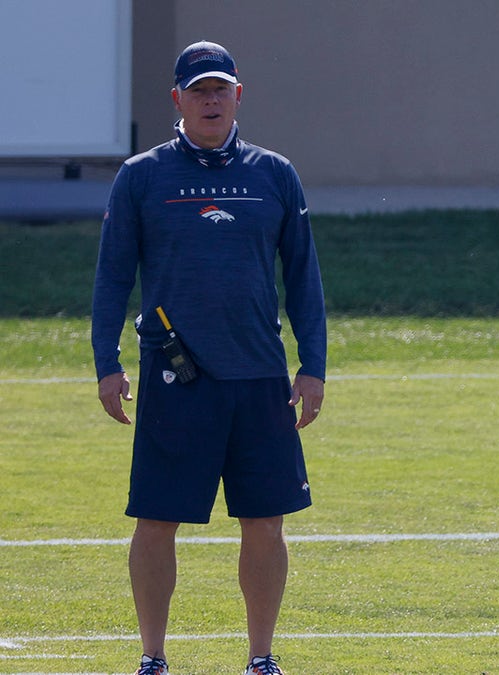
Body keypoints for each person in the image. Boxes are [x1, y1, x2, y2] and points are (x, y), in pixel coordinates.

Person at [91, 40, 326, 675]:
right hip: (177, 379)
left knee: (266, 522)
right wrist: (105, 361)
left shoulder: (274, 173)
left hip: (259, 377)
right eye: (199, 90)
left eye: (221, 88)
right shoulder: (142, 175)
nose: (211, 99)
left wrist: (314, 365)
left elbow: (303, 276)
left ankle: (260, 657)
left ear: (239, 96)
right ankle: (153, 657)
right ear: (178, 100)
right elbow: (113, 275)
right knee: (157, 519)